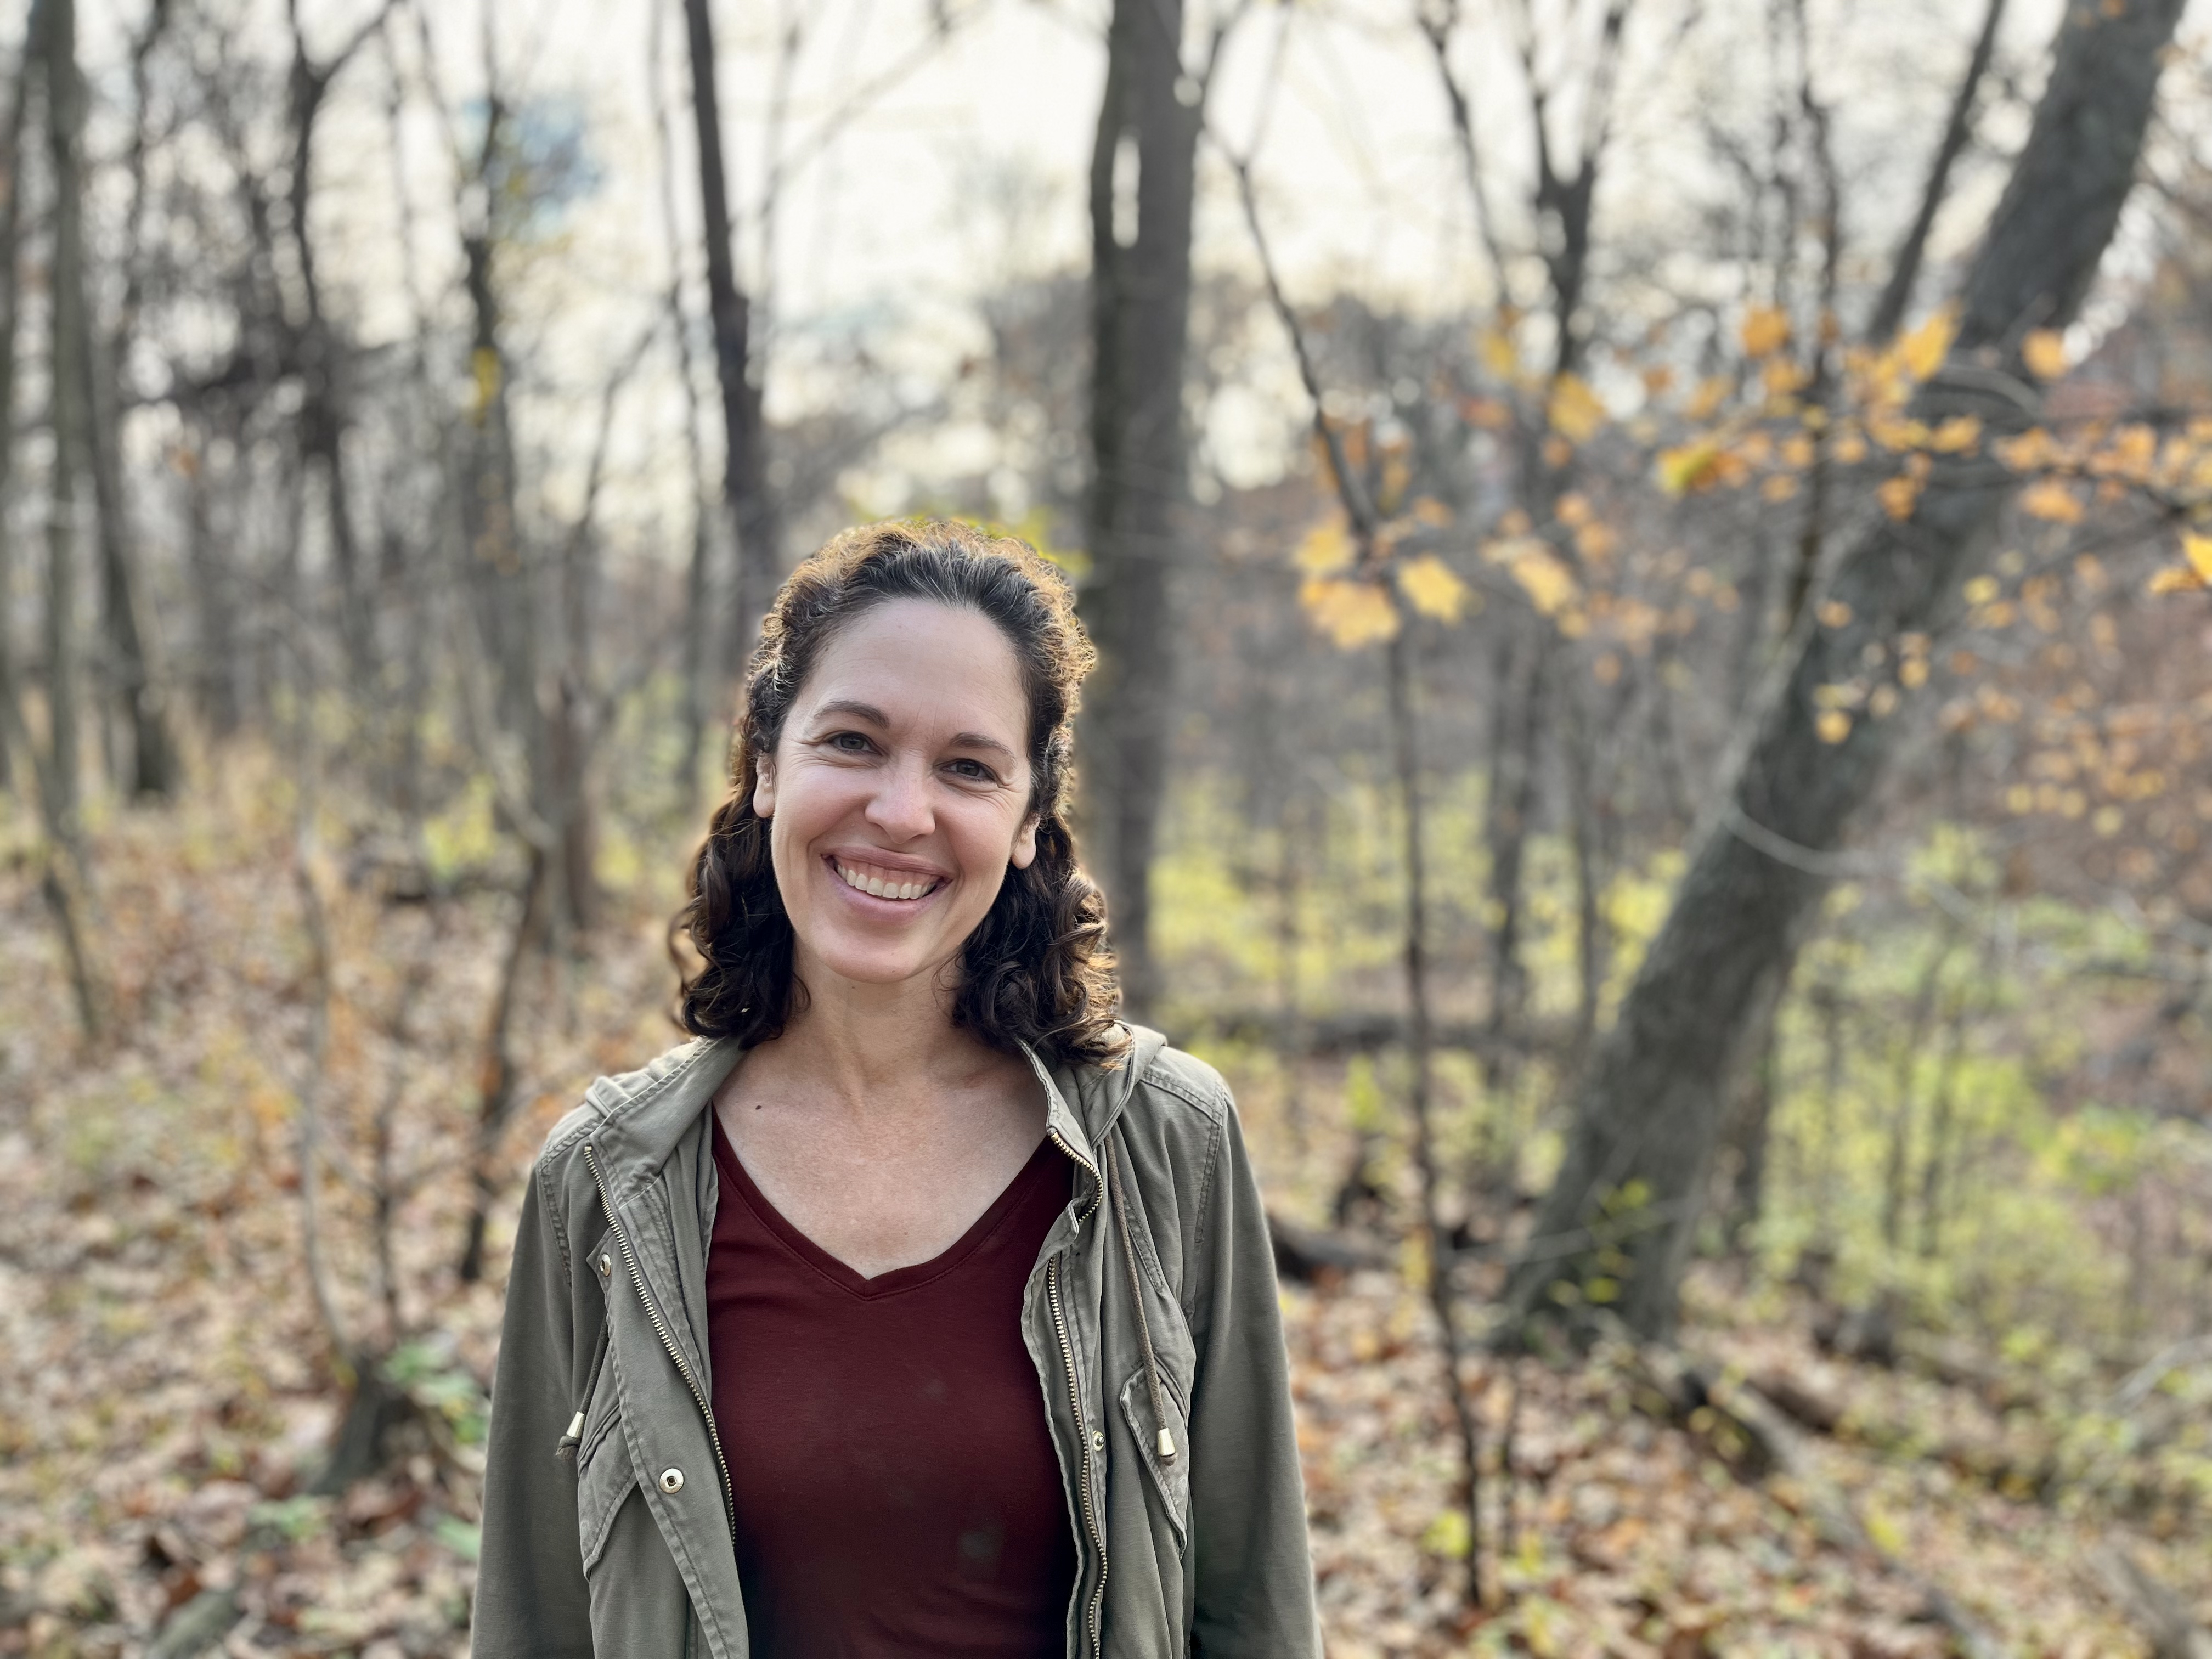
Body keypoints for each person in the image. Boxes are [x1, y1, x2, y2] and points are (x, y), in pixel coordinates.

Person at [471, 518, 1320, 1658]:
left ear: (1026, 824)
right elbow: (534, 1626)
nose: (903, 813)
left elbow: (1253, 1613)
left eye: (967, 767)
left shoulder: (1166, 1145)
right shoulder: (606, 1183)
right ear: (769, 765)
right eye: (855, 743)